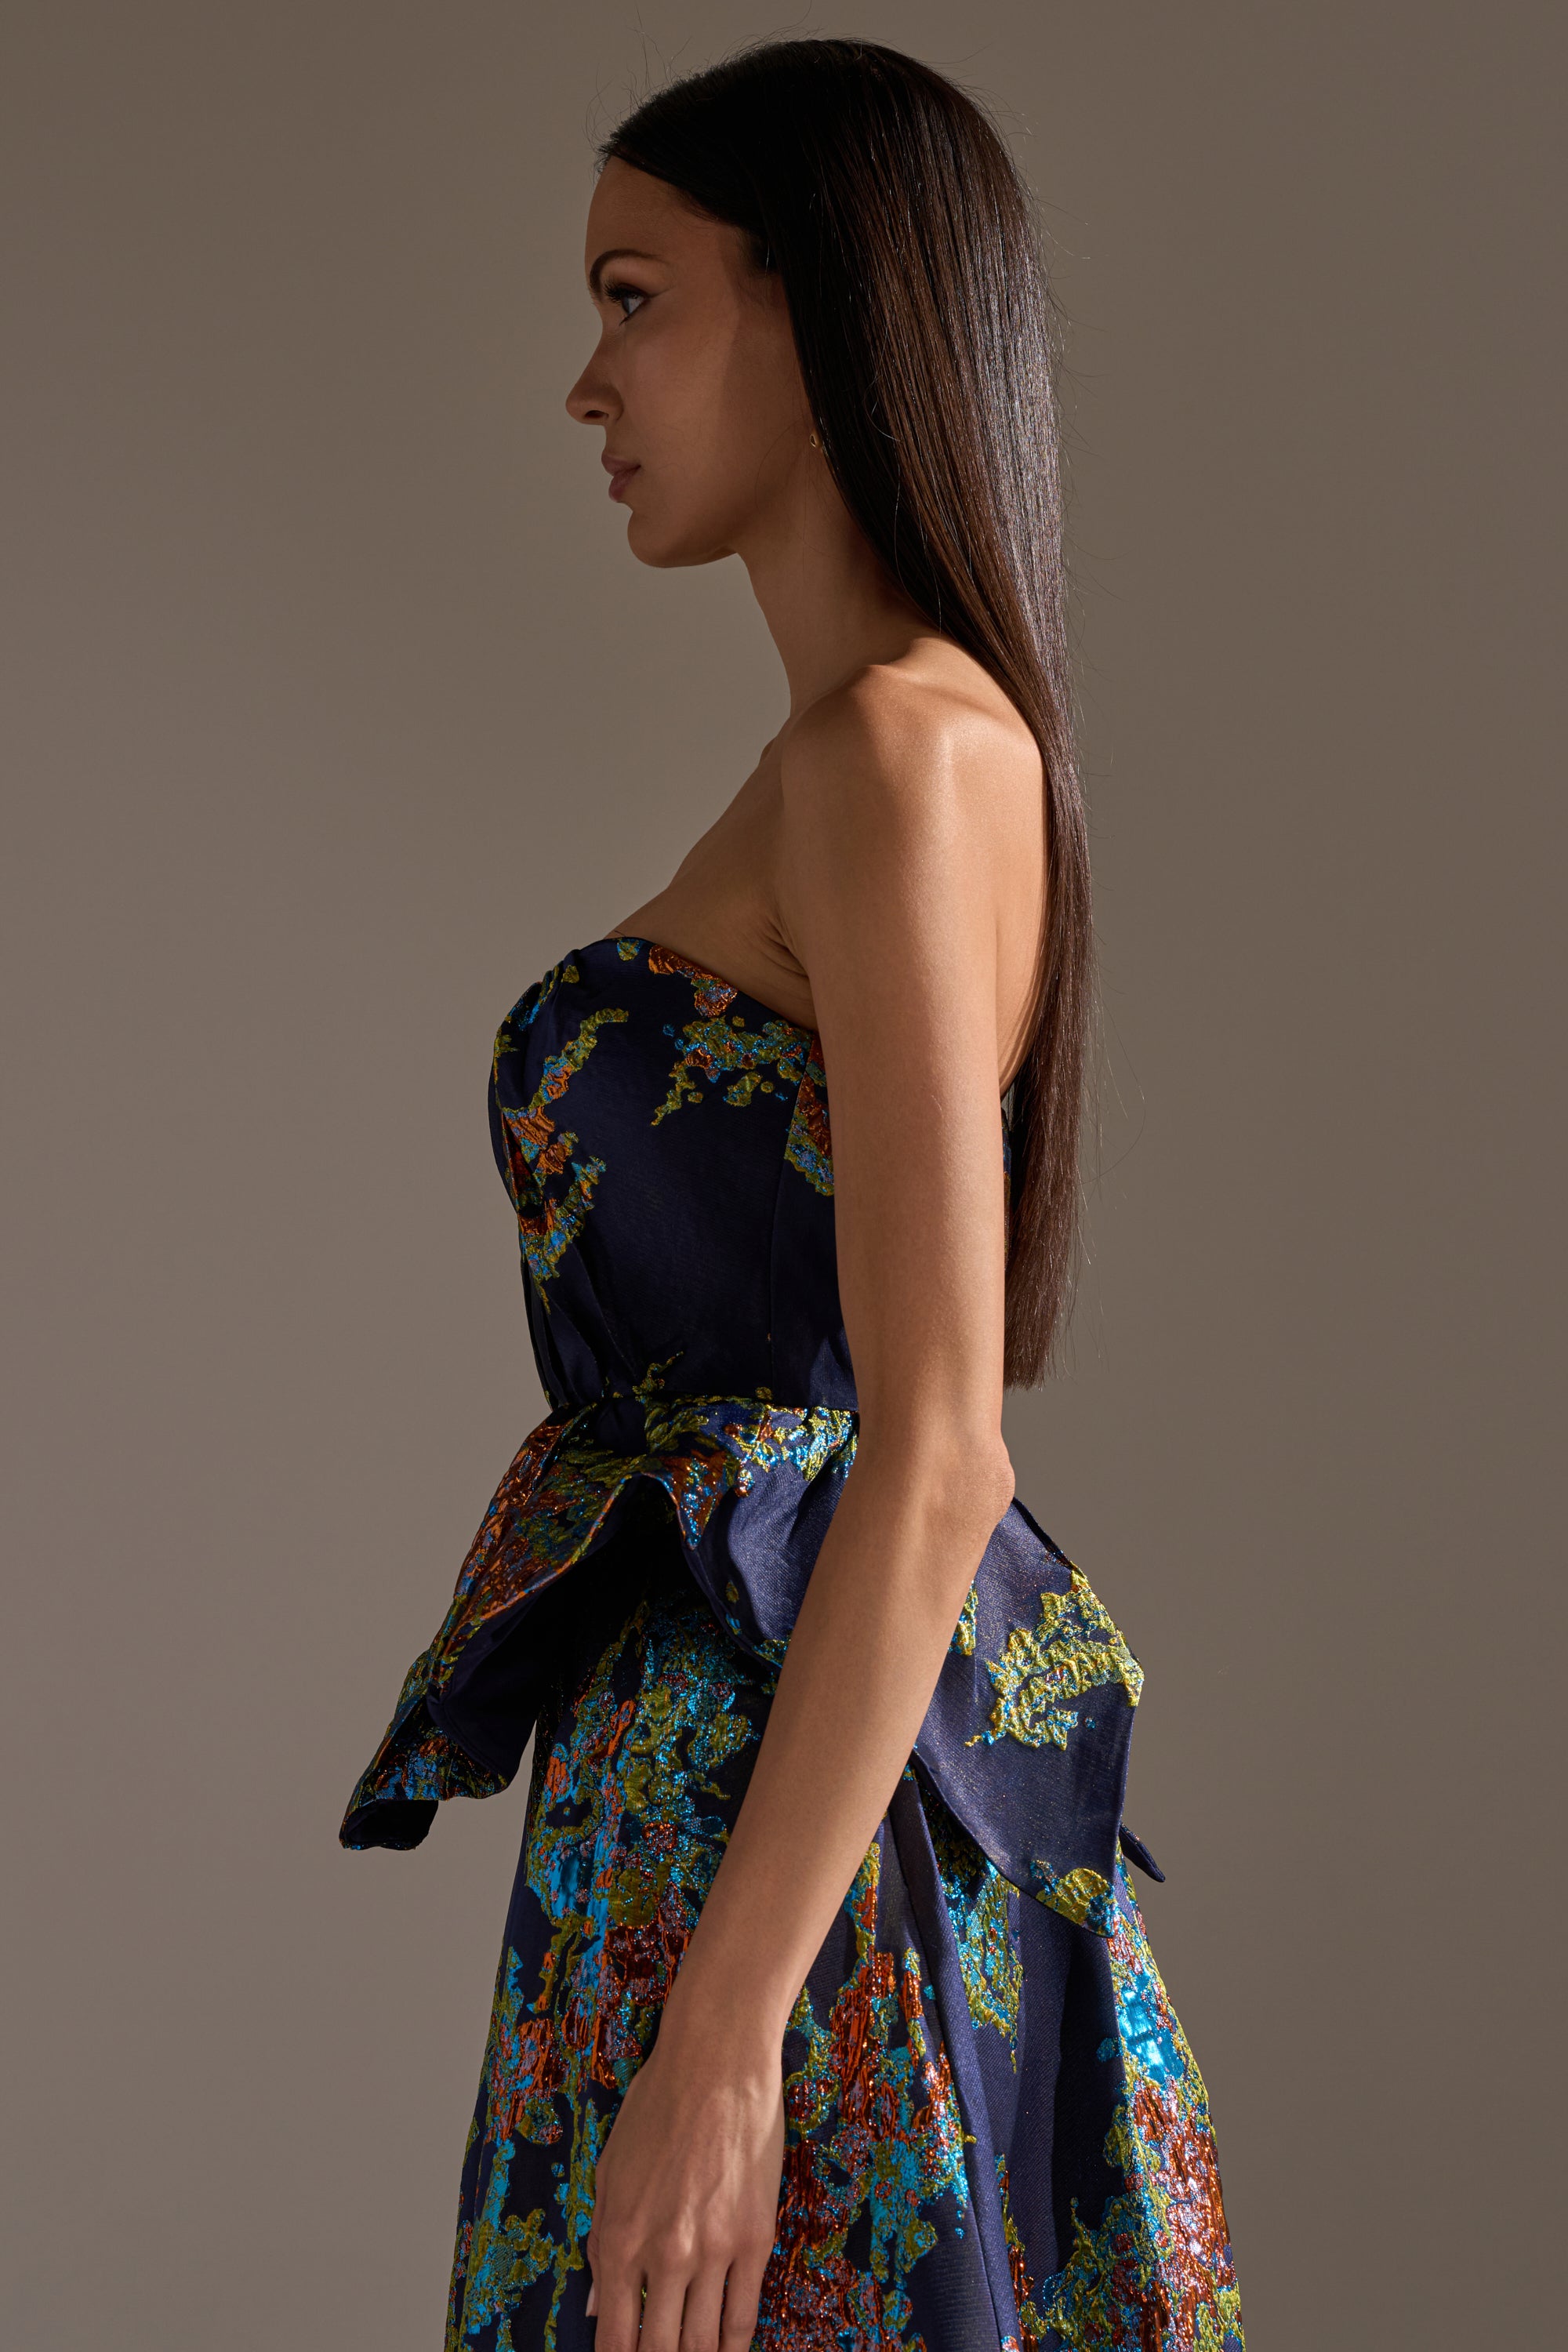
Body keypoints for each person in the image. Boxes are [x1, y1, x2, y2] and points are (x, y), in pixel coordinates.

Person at [342, 37, 1243, 2352]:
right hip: (746, 1808)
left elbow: (938, 1448)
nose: (585, 380)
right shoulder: (889, 749)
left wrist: (728, 2039)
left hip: (799, 1866)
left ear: (820, 304)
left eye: (635, 297)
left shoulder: (900, 752)